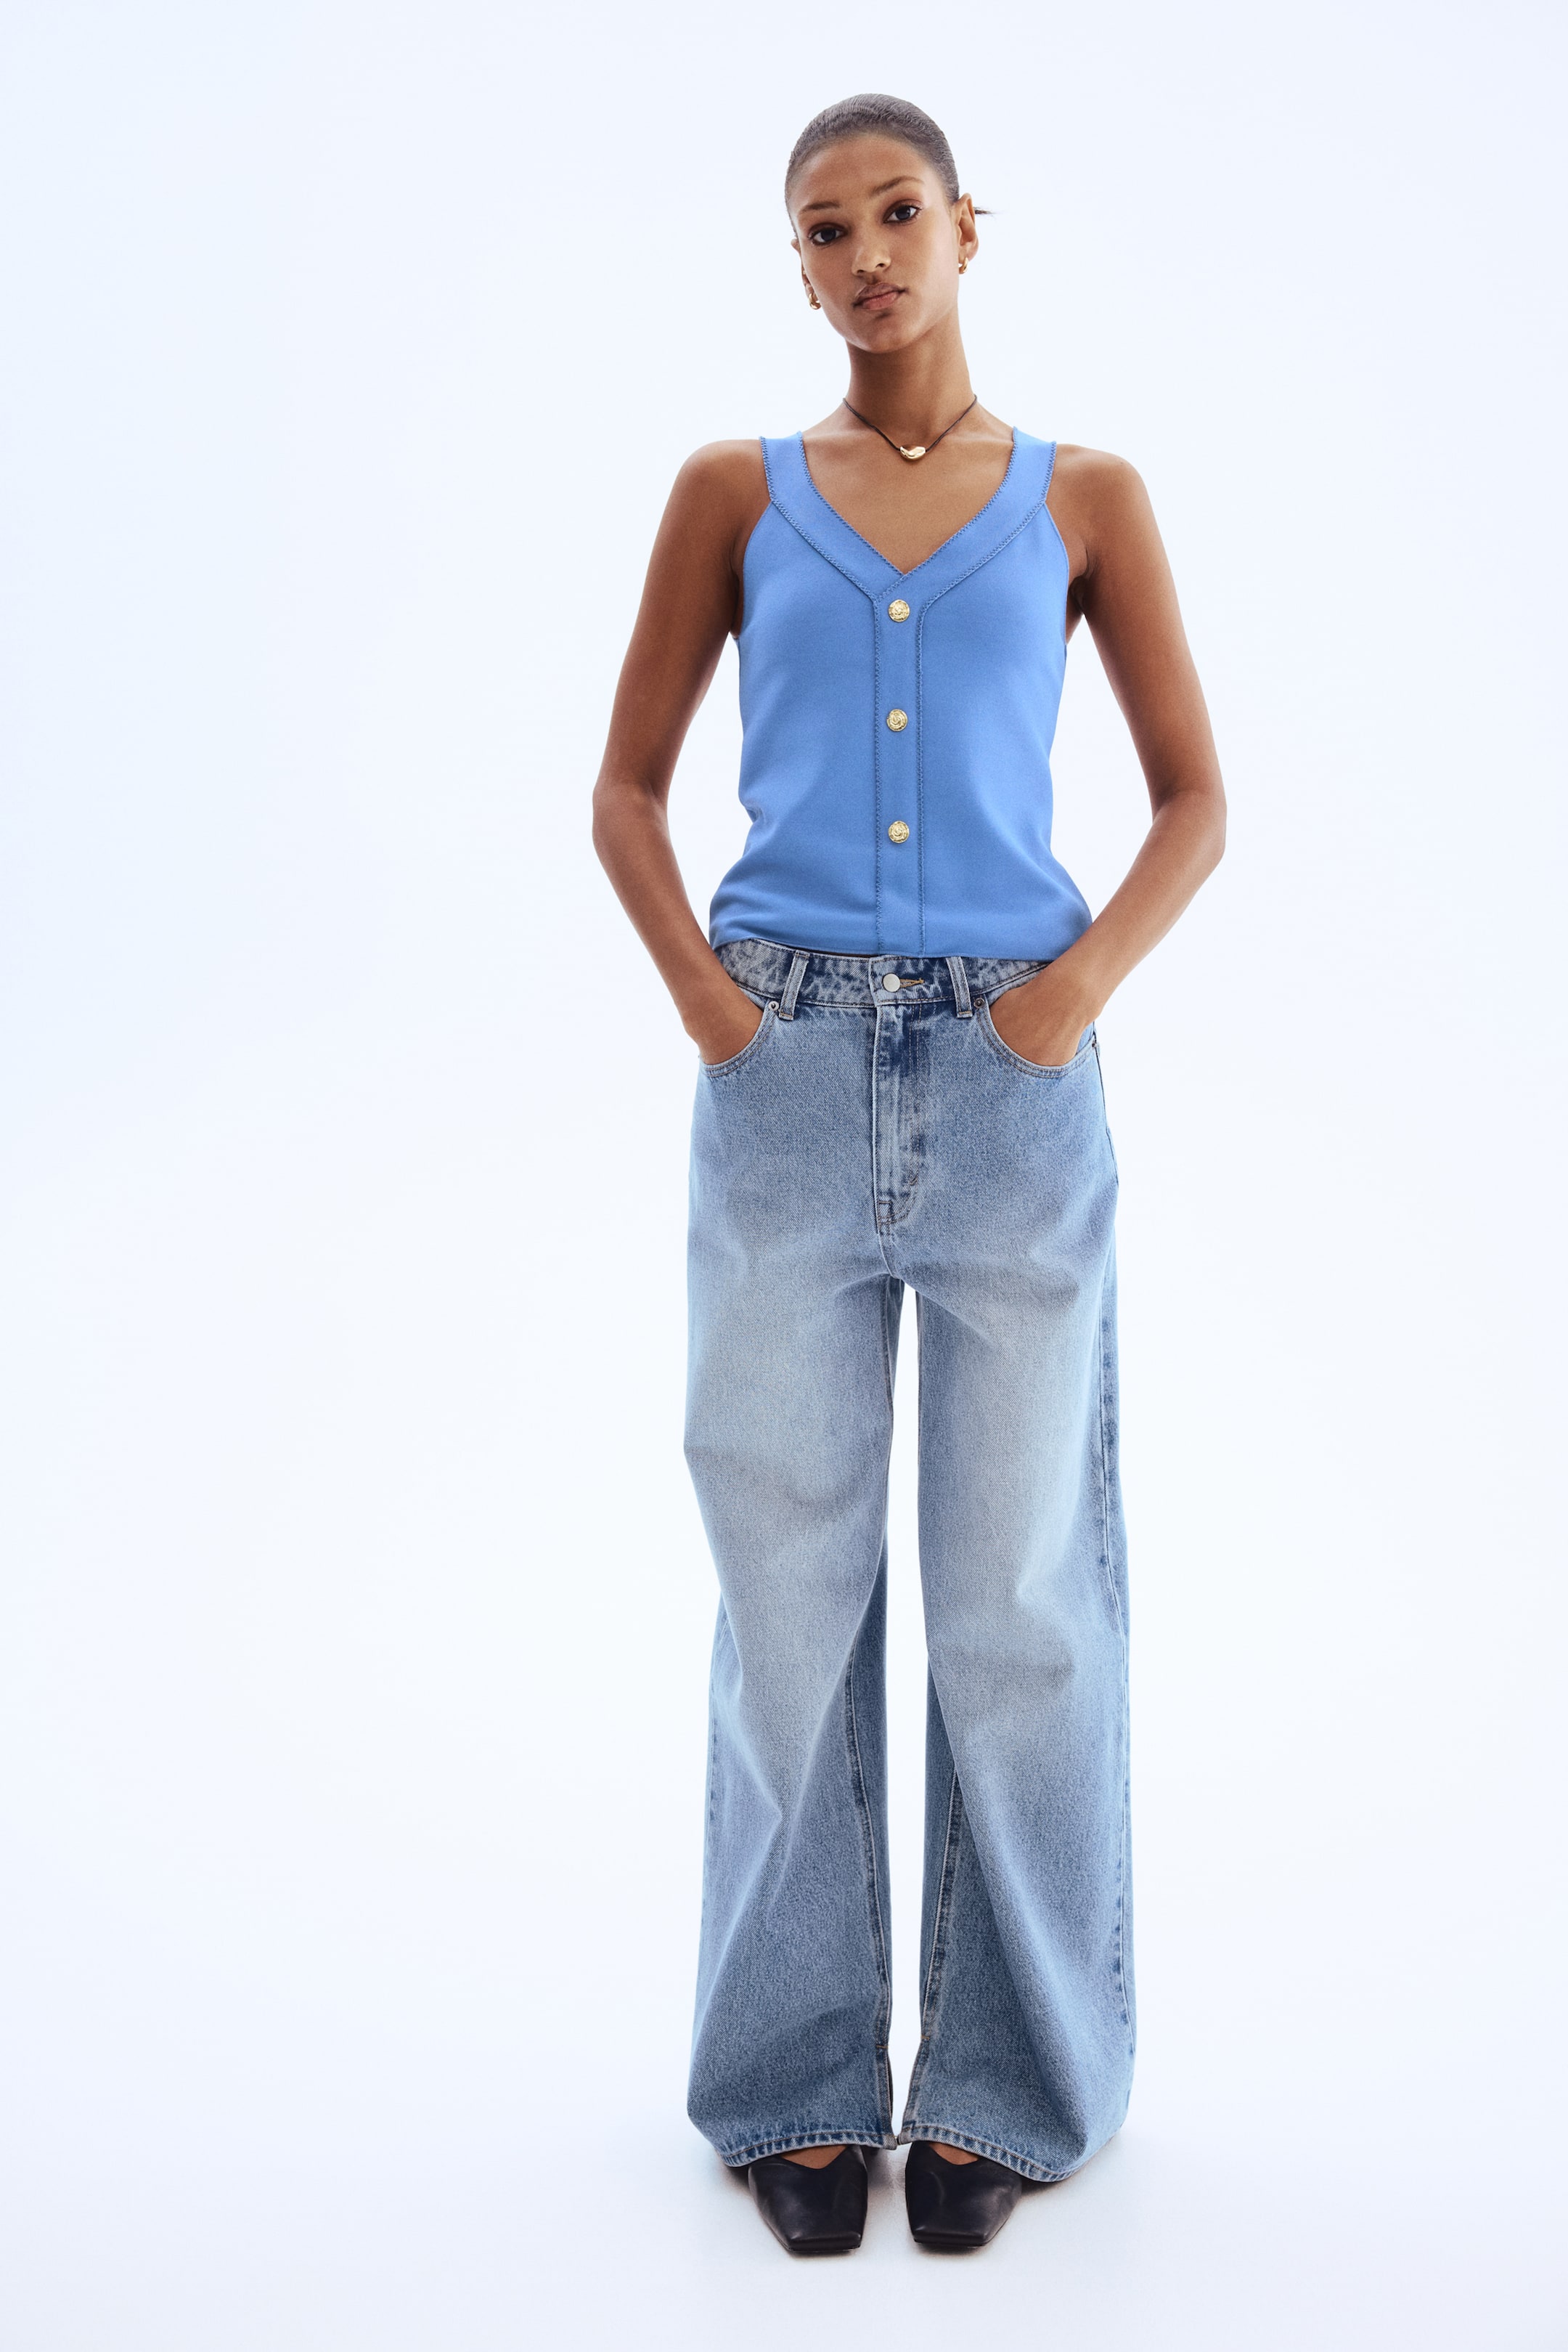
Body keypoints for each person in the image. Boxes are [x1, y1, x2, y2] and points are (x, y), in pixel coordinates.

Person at [592, 92, 1225, 2256]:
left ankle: (1006, 2093)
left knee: (1022, 1602)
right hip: (779, 1083)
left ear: (967, 228)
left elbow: (1196, 799)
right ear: (796, 266)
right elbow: (623, 790)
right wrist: (717, 1013)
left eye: (893, 215)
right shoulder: (731, 493)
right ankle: (789, 2087)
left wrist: (1068, 997)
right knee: (786, 1607)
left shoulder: (1088, 500)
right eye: (820, 230)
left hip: (1015, 1088)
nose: (862, 255)